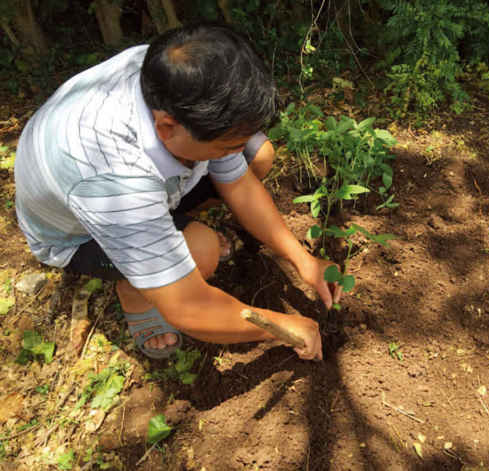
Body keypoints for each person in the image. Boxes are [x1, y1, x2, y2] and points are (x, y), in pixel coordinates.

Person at [14, 23, 341, 361]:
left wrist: (303, 259)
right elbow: (188, 308)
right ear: (167, 127)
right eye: (226, 146)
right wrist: (282, 326)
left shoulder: (178, 76)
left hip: (141, 186)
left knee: (257, 155)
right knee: (201, 250)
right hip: (77, 234)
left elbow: (239, 182)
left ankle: (161, 234)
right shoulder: (110, 174)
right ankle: (136, 291)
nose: (232, 152)